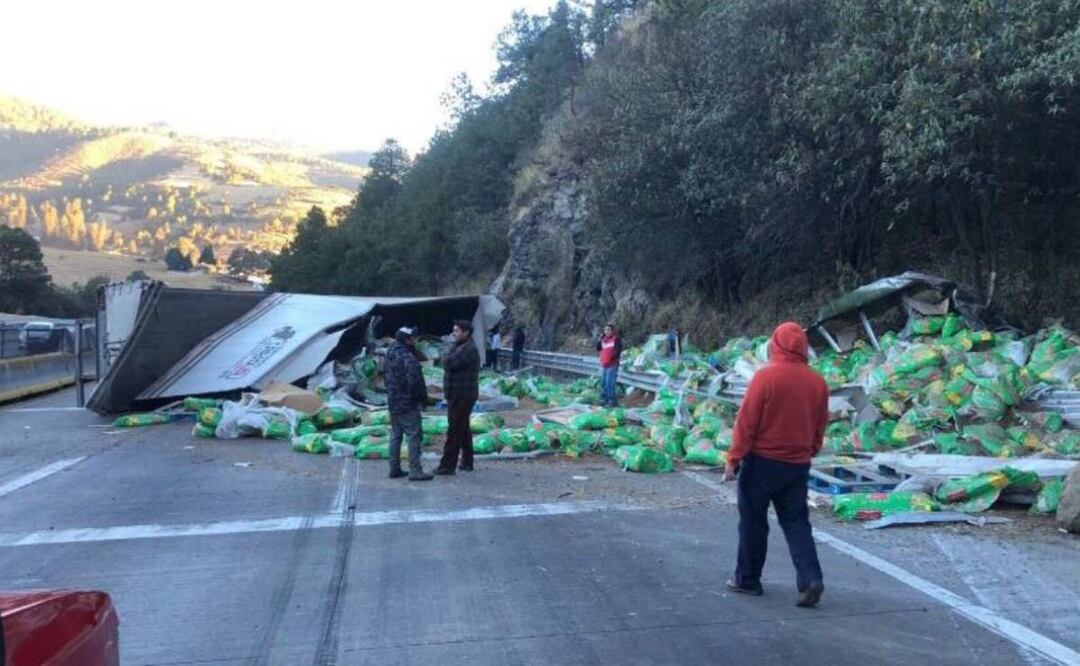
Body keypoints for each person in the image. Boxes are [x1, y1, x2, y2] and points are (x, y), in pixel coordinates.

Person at [724, 322, 829, 608]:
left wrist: (734, 458)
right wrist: (810, 450)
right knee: (796, 522)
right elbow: (820, 425)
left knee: (753, 522)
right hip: (796, 465)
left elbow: (746, 423)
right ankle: (810, 579)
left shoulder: (765, 378)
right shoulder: (817, 382)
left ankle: (747, 579)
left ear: (775, 344)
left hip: (761, 463)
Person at [384, 326, 433, 481]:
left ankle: (394, 468)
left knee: (396, 435)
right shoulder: (408, 357)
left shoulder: (390, 353)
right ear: (408, 339)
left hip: (393, 400)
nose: (417, 340)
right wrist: (422, 399)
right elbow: (415, 382)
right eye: (415, 338)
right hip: (407, 402)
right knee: (414, 435)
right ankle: (415, 470)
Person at [437, 320, 481, 475]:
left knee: (455, 430)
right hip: (458, 393)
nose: (453, 334)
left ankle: (447, 465)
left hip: (462, 394)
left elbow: (448, 363)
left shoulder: (468, 349)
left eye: (456, 331)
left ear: (466, 332)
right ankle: (467, 461)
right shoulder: (460, 347)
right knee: (463, 428)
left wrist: (446, 350)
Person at [596, 323, 622, 407]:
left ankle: (612, 400)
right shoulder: (603, 340)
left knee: (609, 383)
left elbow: (618, 351)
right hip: (604, 364)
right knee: (603, 382)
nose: (607, 331)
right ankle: (604, 399)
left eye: (608, 330)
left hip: (612, 365)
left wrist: (610, 358)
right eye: (605, 330)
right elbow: (598, 348)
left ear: (612, 331)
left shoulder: (616, 339)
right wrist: (599, 339)